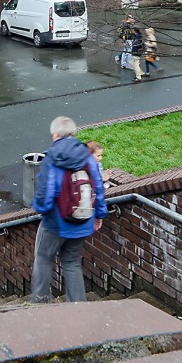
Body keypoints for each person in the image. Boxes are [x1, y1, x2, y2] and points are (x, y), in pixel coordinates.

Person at [30, 116, 107, 303]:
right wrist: (99, 214)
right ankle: (78, 307)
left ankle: (40, 302)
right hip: (83, 219)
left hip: (56, 222)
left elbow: (45, 194)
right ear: (73, 133)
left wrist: (41, 210)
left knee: (43, 258)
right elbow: (98, 187)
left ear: (55, 134)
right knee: (71, 263)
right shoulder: (88, 157)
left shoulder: (52, 157)